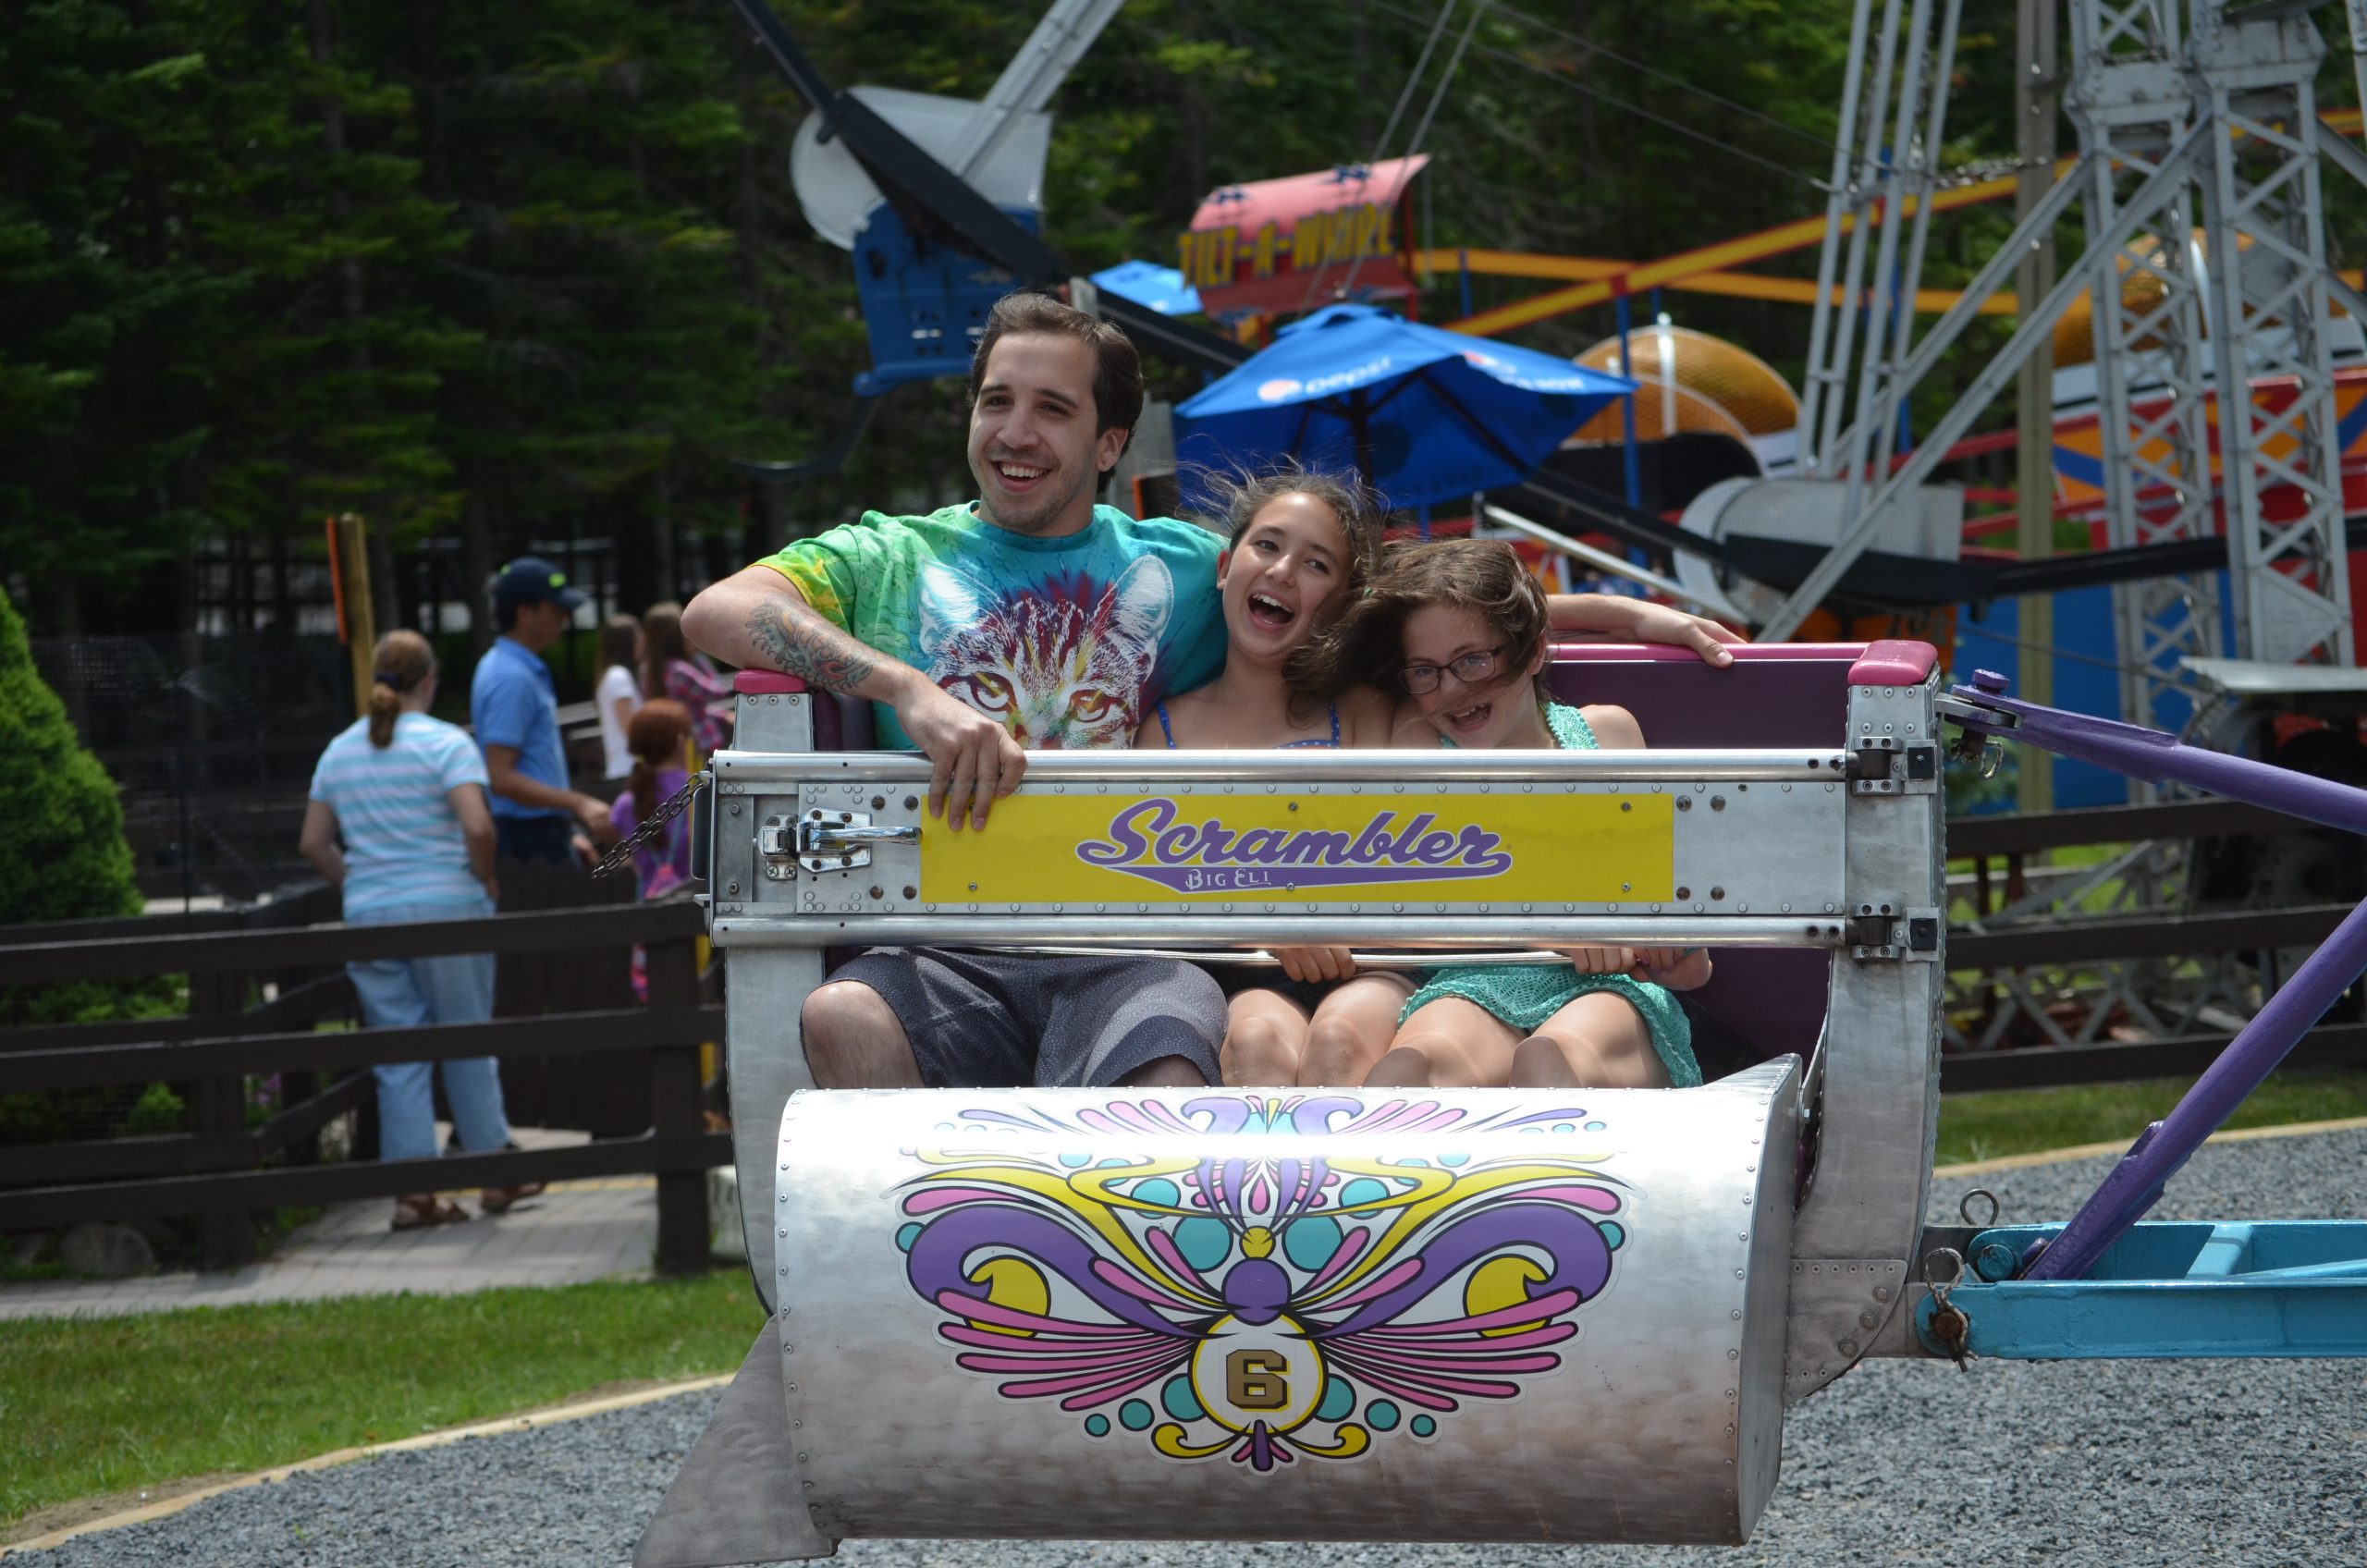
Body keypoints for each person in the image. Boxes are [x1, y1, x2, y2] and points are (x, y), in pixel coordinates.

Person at [679, 289, 1740, 1092]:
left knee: (1176, 1063)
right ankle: (911, 1318)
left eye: (1052, 409)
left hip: (1122, 941)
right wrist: (907, 688)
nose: (1016, 430)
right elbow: (717, 612)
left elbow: (1436, 605)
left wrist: (1634, 617)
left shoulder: (1194, 566)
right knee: (842, 1016)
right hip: (939, 931)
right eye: (998, 400)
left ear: (1105, 444)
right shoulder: (887, 555)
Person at [1292, 539, 1710, 1091]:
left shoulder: (1606, 733)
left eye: (1472, 661)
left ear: (1532, 652)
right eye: (1425, 672)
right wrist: (1552, 927)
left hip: (1605, 988)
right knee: (1403, 1077)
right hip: (1476, 982)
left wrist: (1672, 954)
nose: (1453, 690)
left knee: (1547, 1062)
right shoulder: (1416, 745)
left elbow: (1691, 955)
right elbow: (1383, 915)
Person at [1131, 462, 1417, 1088]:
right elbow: (1148, 886)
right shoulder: (1163, 731)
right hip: (1241, 970)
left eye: (1317, 565)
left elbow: (1484, 618)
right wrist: (1265, 919)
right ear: (1226, 567)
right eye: (1267, 545)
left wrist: (1642, 617)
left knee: (1341, 1037)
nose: (1283, 571)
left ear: (1341, 604)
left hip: (1368, 966)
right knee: (1257, 1037)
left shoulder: (1365, 712)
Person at [299, 631, 544, 1230]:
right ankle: (495, 1170)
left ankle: (413, 1192)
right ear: (429, 680)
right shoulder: (446, 744)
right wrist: (483, 879)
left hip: (372, 918)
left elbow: (313, 842)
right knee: (465, 1037)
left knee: (398, 1052)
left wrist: (358, 883)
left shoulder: (339, 751)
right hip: (447, 909)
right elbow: (478, 828)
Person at [472, 557, 612, 864]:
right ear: (524, 613)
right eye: (555, 608)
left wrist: (565, 829)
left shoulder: (514, 667)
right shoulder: (511, 677)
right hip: (526, 839)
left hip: (540, 831)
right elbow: (500, 777)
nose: (564, 617)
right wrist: (578, 803)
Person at [610, 699, 696, 1000]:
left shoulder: (625, 805)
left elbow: (633, 862)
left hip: (649, 918)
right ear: (678, 741)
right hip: (697, 917)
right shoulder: (696, 792)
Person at [642, 601, 732, 759]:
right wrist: (699, 659)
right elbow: (717, 691)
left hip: (671, 745)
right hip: (699, 745)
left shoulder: (646, 671)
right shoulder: (679, 671)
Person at [595, 613, 644, 784]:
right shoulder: (618, 676)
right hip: (628, 768)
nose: (642, 644)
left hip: (624, 767)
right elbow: (630, 729)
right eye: (637, 639)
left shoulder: (613, 675)